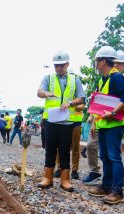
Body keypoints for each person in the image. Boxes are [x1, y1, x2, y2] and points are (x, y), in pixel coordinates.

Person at [88, 46, 124, 204]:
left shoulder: (116, 78)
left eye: (97, 61)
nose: (96, 64)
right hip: (104, 124)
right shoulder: (104, 79)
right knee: (104, 156)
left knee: (114, 157)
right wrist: (95, 122)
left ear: (103, 61)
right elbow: (100, 104)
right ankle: (106, 186)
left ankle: (117, 190)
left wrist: (114, 112)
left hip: (115, 124)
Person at [37, 50, 85, 192]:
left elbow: (81, 98)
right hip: (51, 120)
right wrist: (45, 93)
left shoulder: (75, 79)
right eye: (56, 65)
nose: (58, 68)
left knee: (65, 150)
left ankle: (65, 179)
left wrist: (70, 103)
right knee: (50, 148)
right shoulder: (48, 78)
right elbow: (39, 92)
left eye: (61, 65)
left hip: (67, 122)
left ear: (67, 64)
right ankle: (48, 178)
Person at [54, 103, 85, 179]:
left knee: (76, 147)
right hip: (63, 120)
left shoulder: (78, 95)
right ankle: (59, 168)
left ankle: (74, 170)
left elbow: (82, 107)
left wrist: (70, 105)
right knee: (60, 145)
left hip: (76, 122)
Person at [82, 114, 101, 183]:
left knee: (111, 152)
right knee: (90, 145)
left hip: (114, 123)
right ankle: (94, 171)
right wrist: (91, 115)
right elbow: (95, 104)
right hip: (97, 122)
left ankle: (113, 179)